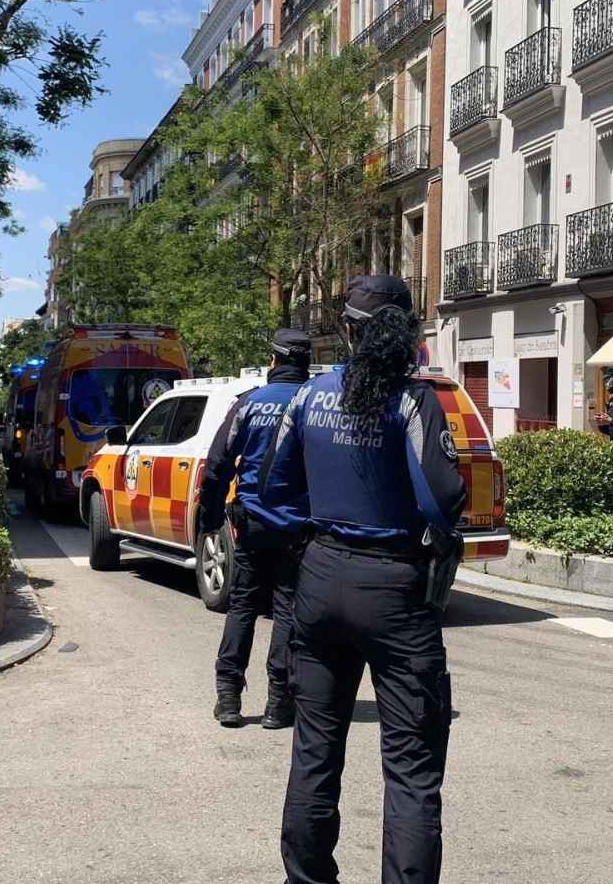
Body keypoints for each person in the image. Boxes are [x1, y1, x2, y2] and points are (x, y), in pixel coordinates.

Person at [260, 275, 467, 884]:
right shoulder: (413, 400)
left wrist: (309, 537)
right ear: (404, 331)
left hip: (320, 580)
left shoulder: (308, 396)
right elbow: (442, 497)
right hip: (396, 588)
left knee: (315, 751)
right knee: (411, 766)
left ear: (347, 328)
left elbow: (273, 488)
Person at [198, 327, 313, 730]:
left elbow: (217, 464)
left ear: (275, 362)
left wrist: (208, 519)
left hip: (251, 524)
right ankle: (278, 704)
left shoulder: (249, 404)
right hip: (299, 530)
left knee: (243, 605)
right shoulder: (318, 403)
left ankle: (228, 698)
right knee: (287, 611)